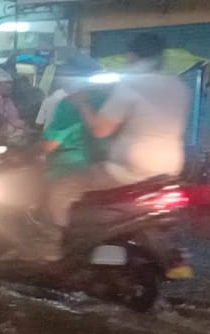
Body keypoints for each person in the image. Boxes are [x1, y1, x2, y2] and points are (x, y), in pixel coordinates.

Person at [39, 33, 189, 257]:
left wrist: (83, 104)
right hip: (171, 169)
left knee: (61, 189)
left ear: (132, 56)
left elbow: (101, 130)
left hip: (129, 169)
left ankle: (55, 250)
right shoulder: (178, 86)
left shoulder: (132, 85)